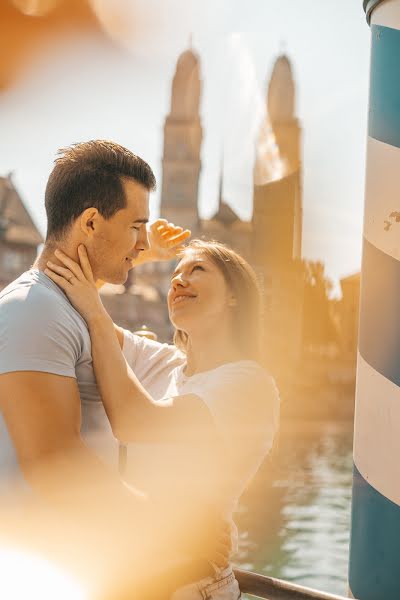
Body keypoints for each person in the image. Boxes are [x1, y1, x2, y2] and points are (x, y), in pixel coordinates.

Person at [0, 140, 229, 599]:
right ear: (89, 221)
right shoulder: (35, 310)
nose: (143, 242)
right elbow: (54, 466)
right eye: (136, 226)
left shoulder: (67, 306)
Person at [45, 238, 280, 599]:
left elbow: (133, 421)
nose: (177, 281)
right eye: (174, 273)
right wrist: (130, 252)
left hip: (187, 584)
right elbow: (62, 297)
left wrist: (96, 312)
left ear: (235, 296)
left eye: (196, 269)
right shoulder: (165, 363)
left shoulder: (249, 384)